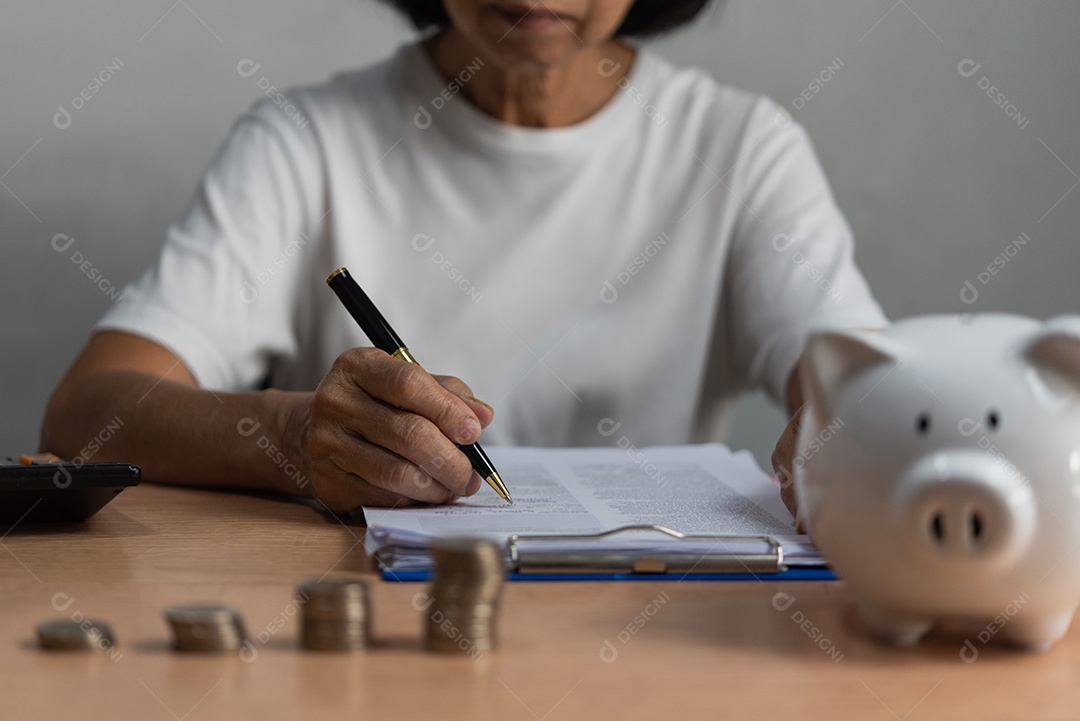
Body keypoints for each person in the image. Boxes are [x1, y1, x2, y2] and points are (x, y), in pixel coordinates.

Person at [40, 0, 886, 518]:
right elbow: (87, 413)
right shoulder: (305, 143)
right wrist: (294, 436)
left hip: (644, 625)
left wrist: (845, 431)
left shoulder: (740, 149)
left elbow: (861, 384)